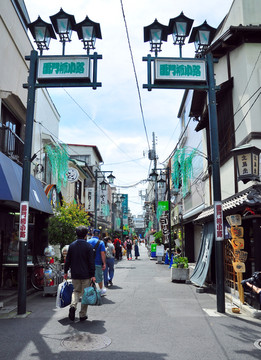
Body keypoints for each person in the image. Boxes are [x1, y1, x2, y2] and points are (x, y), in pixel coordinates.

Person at [64, 225, 95, 322]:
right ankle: (82, 314)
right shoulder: (88, 246)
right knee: (85, 294)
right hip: (86, 274)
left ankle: (73, 306)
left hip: (75, 273)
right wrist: (93, 275)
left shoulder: (72, 246)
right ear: (86, 235)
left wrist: (65, 271)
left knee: (76, 291)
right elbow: (91, 262)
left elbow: (67, 260)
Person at [87, 229, 107, 296]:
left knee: (89, 278)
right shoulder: (101, 242)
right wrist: (104, 263)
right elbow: (102, 253)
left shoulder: (88, 241)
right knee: (99, 277)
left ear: (92, 234)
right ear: (99, 235)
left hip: (89, 263)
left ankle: (90, 291)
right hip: (98, 263)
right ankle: (101, 290)